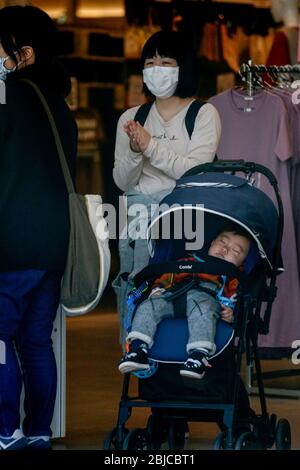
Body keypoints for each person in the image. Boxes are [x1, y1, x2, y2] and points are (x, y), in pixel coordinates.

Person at [0, 6, 77, 450]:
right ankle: (38, 432)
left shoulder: (7, 97)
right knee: (34, 340)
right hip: (53, 243)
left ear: (23, 53)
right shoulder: (58, 105)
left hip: (10, 241)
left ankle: (5, 429)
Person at [112, 30, 221, 341]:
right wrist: (134, 151)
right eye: (150, 62)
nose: (156, 69)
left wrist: (149, 146)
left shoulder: (203, 113)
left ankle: (184, 354)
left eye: (166, 61)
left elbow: (194, 172)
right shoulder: (132, 117)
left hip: (185, 222)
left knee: (178, 290)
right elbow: (122, 181)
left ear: (182, 67)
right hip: (136, 224)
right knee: (136, 288)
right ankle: (136, 353)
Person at [118, 228, 251, 380]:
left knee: (204, 310)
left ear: (242, 262)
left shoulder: (232, 275)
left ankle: (198, 355)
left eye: (235, 251)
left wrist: (229, 313)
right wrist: (157, 288)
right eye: (222, 242)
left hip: (205, 299)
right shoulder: (188, 261)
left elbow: (234, 298)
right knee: (148, 306)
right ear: (212, 243)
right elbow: (166, 277)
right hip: (172, 295)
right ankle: (137, 350)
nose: (225, 249)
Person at [267, 0, 299, 65]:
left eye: (272, 5)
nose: (271, 10)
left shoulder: (282, 37)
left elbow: (274, 73)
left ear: (280, 3)